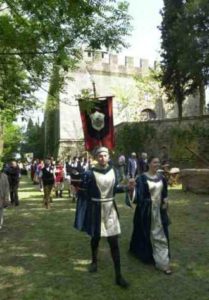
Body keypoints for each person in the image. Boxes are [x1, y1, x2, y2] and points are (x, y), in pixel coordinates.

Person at [74, 147, 129, 288]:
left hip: (110, 209)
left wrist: (126, 188)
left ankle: (118, 275)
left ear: (109, 157)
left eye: (105, 155)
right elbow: (84, 193)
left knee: (113, 241)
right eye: (100, 156)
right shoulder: (89, 173)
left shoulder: (114, 171)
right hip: (96, 210)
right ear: (96, 158)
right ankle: (94, 261)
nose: (103, 158)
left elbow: (114, 189)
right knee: (95, 238)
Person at [128, 156, 172, 275]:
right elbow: (138, 197)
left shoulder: (161, 178)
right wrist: (132, 190)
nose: (156, 164)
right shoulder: (142, 178)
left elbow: (164, 193)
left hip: (160, 211)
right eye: (154, 162)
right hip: (146, 211)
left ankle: (163, 262)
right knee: (147, 233)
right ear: (149, 164)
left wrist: (165, 201)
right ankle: (152, 256)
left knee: (160, 235)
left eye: (158, 162)